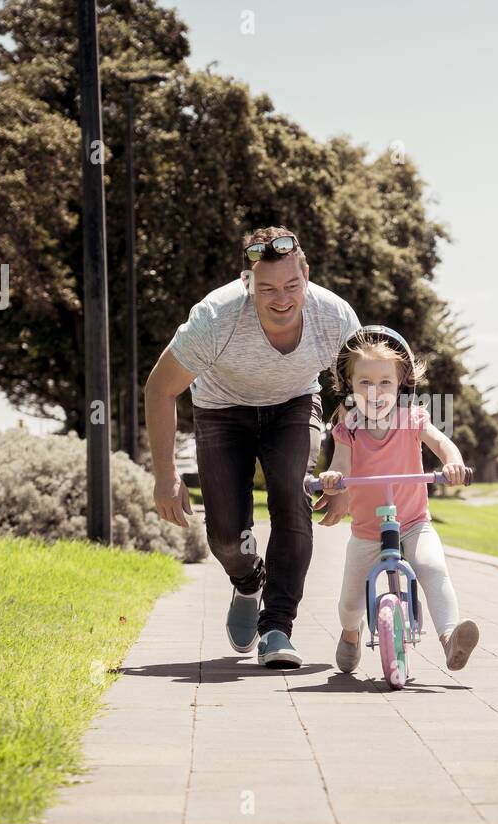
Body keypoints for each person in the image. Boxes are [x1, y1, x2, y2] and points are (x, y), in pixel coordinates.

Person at [146, 227, 359, 668]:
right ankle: (247, 582)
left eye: (291, 286)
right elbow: (160, 389)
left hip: (294, 406)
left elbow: (357, 391)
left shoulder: (335, 317)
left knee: (292, 493)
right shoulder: (214, 317)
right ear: (247, 282)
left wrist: (344, 465)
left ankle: (277, 627)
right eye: (267, 288)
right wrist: (165, 476)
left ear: (306, 274)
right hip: (222, 412)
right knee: (225, 535)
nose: (281, 298)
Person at [317, 326, 480, 673]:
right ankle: (350, 634)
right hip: (367, 530)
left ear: (401, 384)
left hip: (412, 523)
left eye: (385, 383)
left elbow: (440, 443)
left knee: (433, 568)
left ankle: (450, 640)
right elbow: (340, 466)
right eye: (364, 383)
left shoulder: (412, 418)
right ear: (349, 385)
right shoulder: (349, 428)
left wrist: (452, 463)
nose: (375, 391)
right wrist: (332, 480)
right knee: (350, 601)